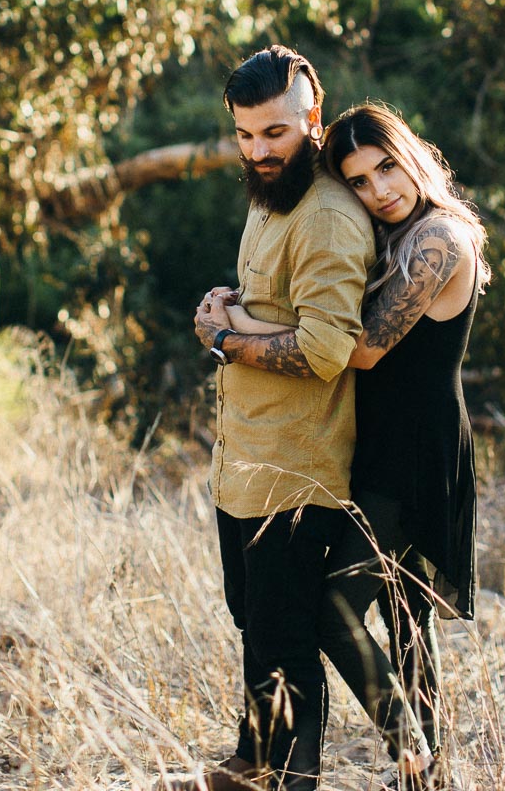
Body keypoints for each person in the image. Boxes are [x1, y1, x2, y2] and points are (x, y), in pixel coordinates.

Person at [218, 103, 488, 791]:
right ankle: (428, 777)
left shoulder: (440, 239)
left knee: (337, 608)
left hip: (416, 456)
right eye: (361, 181)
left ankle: (413, 750)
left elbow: (360, 350)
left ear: (413, 157)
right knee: (405, 616)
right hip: (376, 447)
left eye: (387, 168)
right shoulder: (392, 232)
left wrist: (237, 326)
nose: (379, 190)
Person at [175, 46, 375, 791]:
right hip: (246, 459)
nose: (259, 151)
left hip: (298, 468)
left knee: (285, 635)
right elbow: (281, 308)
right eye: (246, 135)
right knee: (253, 619)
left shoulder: (326, 214)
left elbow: (325, 349)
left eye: (275, 134)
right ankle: (253, 761)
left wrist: (226, 340)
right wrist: (228, 304)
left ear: (311, 119)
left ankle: (290, 776)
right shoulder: (271, 196)